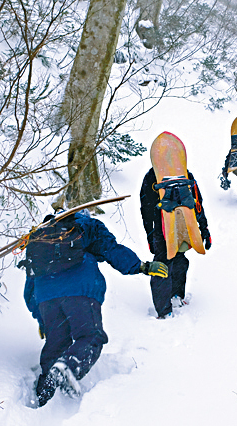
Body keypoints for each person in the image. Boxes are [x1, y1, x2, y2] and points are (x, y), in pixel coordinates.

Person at [21, 210, 167, 406]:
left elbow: (30, 284)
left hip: (45, 296)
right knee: (90, 336)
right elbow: (111, 249)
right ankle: (69, 367)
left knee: (56, 343)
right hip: (80, 289)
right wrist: (141, 266)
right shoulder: (87, 225)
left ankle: (44, 395)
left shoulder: (42, 235)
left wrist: (40, 317)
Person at [140, 168, 211, 319]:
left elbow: (145, 207)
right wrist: (204, 229)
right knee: (178, 258)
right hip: (182, 225)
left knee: (162, 262)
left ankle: (165, 308)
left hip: (162, 228)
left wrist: (150, 234)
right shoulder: (185, 173)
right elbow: (198, 204)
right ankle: (175, 296)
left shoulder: (152, 177)